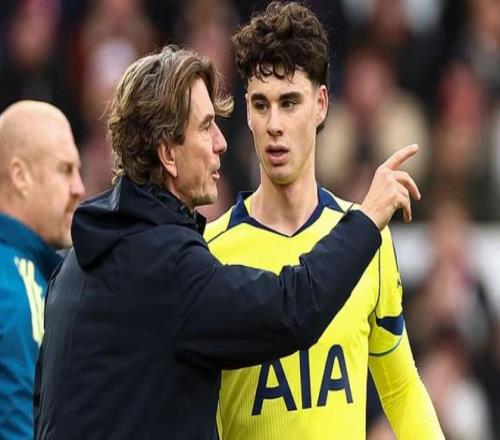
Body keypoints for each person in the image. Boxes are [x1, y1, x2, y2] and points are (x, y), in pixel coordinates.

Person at [35, 45, 419, 440]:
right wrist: (367, 221)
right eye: (206, 127)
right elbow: (292, 310)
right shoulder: (168, 265)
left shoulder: (72, 267)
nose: (221, 142)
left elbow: (44, 410)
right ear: (167, 154)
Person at [204, 3, 444, 439]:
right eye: (261, 105)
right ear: (247, 113)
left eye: (289, 102)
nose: (274, 124)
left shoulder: (368, 239)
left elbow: (401, 389)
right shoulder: (210, 252)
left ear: (320, 105)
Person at [0, 100, 85, 439]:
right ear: (20, 176)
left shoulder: (35, 274)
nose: (79, 188)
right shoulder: (15, 286)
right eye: (65, 169)